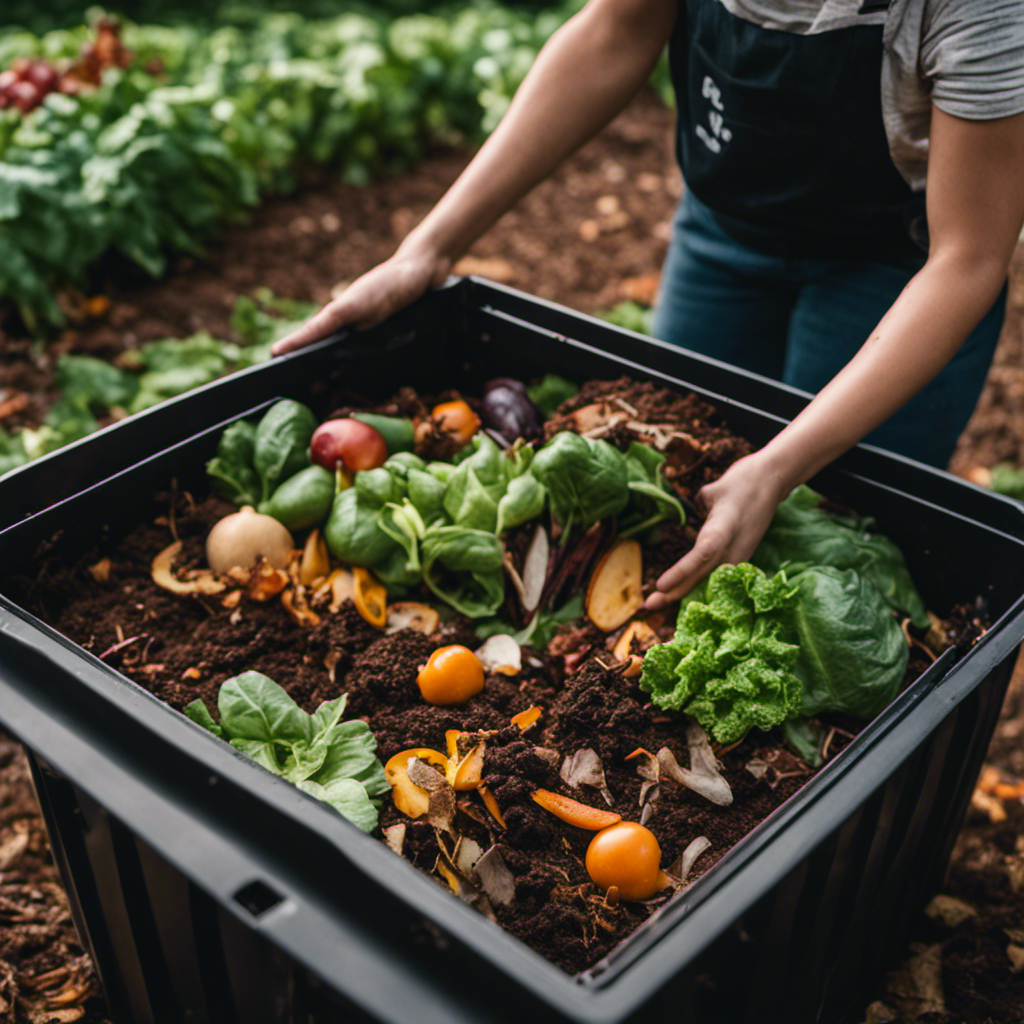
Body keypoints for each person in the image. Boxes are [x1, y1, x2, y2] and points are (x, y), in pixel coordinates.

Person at [272, 0, 1024, 609]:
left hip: (898, 268)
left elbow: (968, 257)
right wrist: (427, 250)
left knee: (831, 538)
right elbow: (612, 32)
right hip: (723, 233)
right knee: (675, 470)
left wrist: (777, 467)